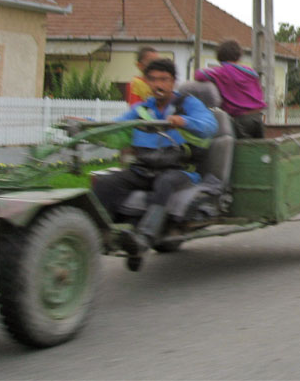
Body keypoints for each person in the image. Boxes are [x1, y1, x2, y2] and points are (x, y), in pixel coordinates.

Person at [93, 58, 218, 271]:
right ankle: (100, 234)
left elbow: (209, 125)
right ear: (147, 82)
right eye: (153, 79)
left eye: (164, 79)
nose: (159, 85)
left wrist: (184, 121)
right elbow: (116, 126)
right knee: (106, 184)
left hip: (180, 171)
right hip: (144, 169)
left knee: (164, 184)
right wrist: (86, 125)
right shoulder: (142, 109)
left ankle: (143, 240)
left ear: (173, 82)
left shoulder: (186, 104)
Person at [195, 40, 266, 138]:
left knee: (241, 150)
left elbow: (199, 74)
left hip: (240, 119)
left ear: (219, 57)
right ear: (238, 55)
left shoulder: (220, 72)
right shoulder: (251, 72)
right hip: (257, 116)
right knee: (259, 149)